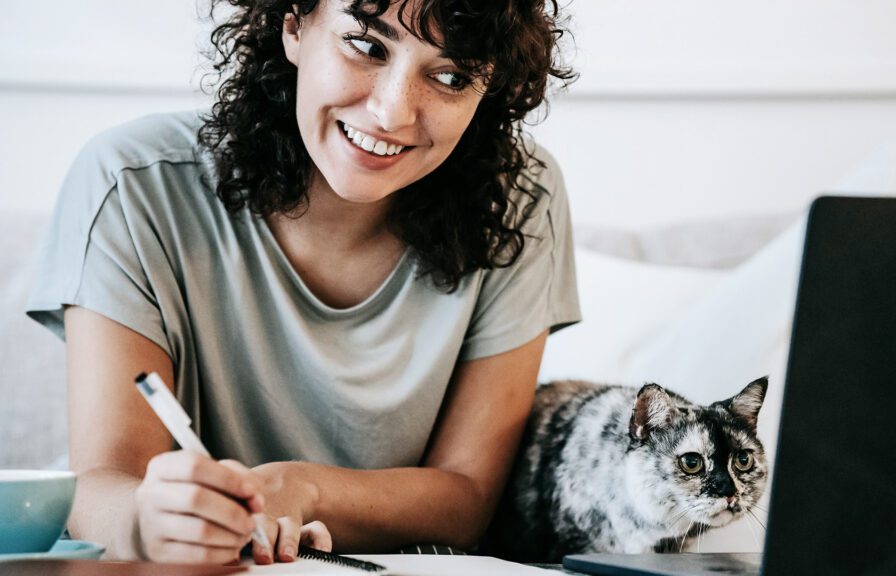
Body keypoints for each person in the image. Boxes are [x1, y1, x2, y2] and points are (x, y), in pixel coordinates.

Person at [25, 0, 578, 565]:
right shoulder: (131, 184)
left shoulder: (519, 199)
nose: (391, 112)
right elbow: (101, 485)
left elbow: (467, 496)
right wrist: (147, 520)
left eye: (452, 76)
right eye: (366, 46)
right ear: (293, 24)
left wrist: (303, 488)